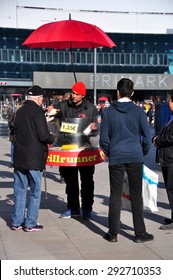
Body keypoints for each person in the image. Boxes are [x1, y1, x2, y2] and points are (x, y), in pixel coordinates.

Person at [100, 78, 154, 243]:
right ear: (132, 93)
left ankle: (113, 233)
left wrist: (112, 152)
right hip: (134, 156)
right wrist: (142, 151)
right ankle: (139, 233)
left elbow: (103, 140)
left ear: (117, 92)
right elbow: (147, 137)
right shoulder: (138, 112)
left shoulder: (108, 112)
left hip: (116, 156)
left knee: (115, 195)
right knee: (136, 195)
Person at [11, 85, 54, 232]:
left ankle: (16, 222)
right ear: (39, 98)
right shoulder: (37, 112)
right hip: (34, 158)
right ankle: (30, 223)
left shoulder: (19, 111)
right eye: (42, 98)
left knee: (20, 190)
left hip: (19, 156)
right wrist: (52, 137)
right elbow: (43, 135)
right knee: (35, 192)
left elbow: (14, 129)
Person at [58, 81, 98, 220]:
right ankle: (73, 208)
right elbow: (56, 123)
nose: (73, 96)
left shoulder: (91, 108)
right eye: (73, 93)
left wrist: (94, 127)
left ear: (83, 95)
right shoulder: (63, 106)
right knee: (71, 181)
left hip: (85, 150)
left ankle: (87, 209)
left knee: (87, 181)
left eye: (76, 94)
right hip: (68, 149)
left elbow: (97, 126)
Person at [152, 91, 173, 230]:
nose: (168, 104)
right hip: (167, 157)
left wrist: (157, 140)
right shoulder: (171, 117)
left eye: (170, 101)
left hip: (171, 158)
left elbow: (170, 138)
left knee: (172, 189)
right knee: (170, 189)